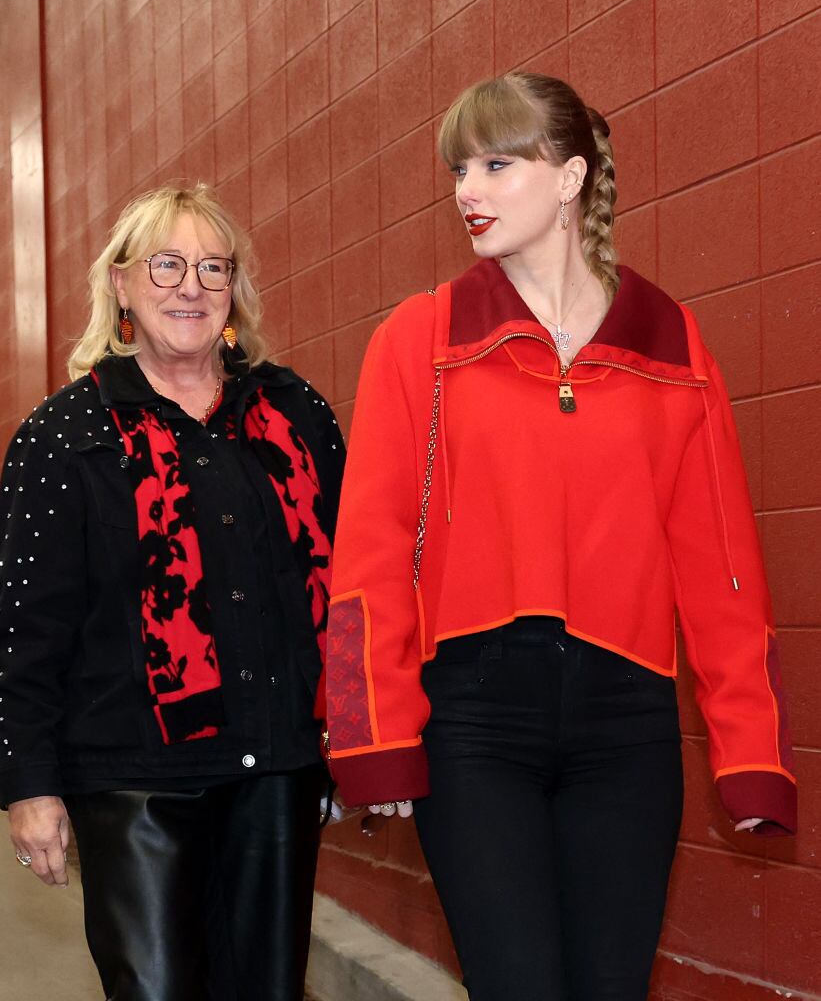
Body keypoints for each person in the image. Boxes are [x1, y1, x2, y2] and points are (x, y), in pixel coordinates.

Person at [322, 73, 796, 1001]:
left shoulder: (672, 343)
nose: (468, 190)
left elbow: (722, 566)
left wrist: (750, 750)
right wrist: (367, 734)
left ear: (572, 176)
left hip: (627, 727)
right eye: (460, 168)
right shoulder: (419, 337)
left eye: (497, 163)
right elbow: (367, 555)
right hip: (472, 724)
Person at [0, 183, 344, 1001]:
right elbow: (21, 632)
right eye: (167, 265)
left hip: (275, 769)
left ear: (235, 290)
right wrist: (29, 785)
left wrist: (353, 737)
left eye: (213, 267)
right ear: (120, 284)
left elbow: (343, 590)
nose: (191, 286)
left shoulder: (294, 413)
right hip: (133, 780)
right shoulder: (63, 436)